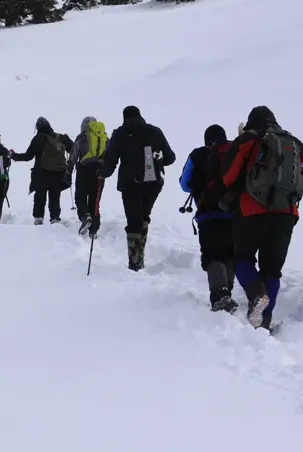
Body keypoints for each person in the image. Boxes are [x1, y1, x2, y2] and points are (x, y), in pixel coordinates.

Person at [220, 106, 303, 330]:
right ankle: (264, 322)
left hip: (251, 211)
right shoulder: (294, 143)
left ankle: (257, 295)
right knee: (272, 269)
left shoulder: (247, 140)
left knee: (242, 258)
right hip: (285, 215)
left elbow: (228, 177)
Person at [100, 106, 176, 271]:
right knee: (144, 217)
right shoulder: (155, 132)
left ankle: (135, 261)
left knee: (133, 221)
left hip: (130, 184)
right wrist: (156, 162)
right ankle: (139, 255)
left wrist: (102, 173)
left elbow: (110, 160)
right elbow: (170, 158)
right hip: (153, 183)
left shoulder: (120, 133)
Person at [179, 124, 238, 312]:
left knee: (213, 255)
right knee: (230, 254)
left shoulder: (198, 155)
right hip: (234, 213)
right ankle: (227, 291)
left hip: (208, 215)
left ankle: (220, 294)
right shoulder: (235, 151)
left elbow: (184, 184)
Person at [10, 117, 73, 224]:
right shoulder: (60, 137)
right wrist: (67, 139)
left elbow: (28, 156)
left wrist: (13, 155)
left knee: (40, 196)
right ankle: (55, 219)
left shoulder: (38, 139)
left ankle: (38, 218)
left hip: (41, 174)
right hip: (58, 174)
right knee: (54, 197)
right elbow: (73, 149)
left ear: (38, 127)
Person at [69, 116, 108, 237]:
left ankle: (85, 217)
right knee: (94, 201)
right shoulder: (104, 137)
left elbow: (74, 156)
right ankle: (93, 230)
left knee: (80, 198)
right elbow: (110, 155)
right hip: (99, 173)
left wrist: (68, 169)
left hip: (84, 170)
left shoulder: (81, 137)